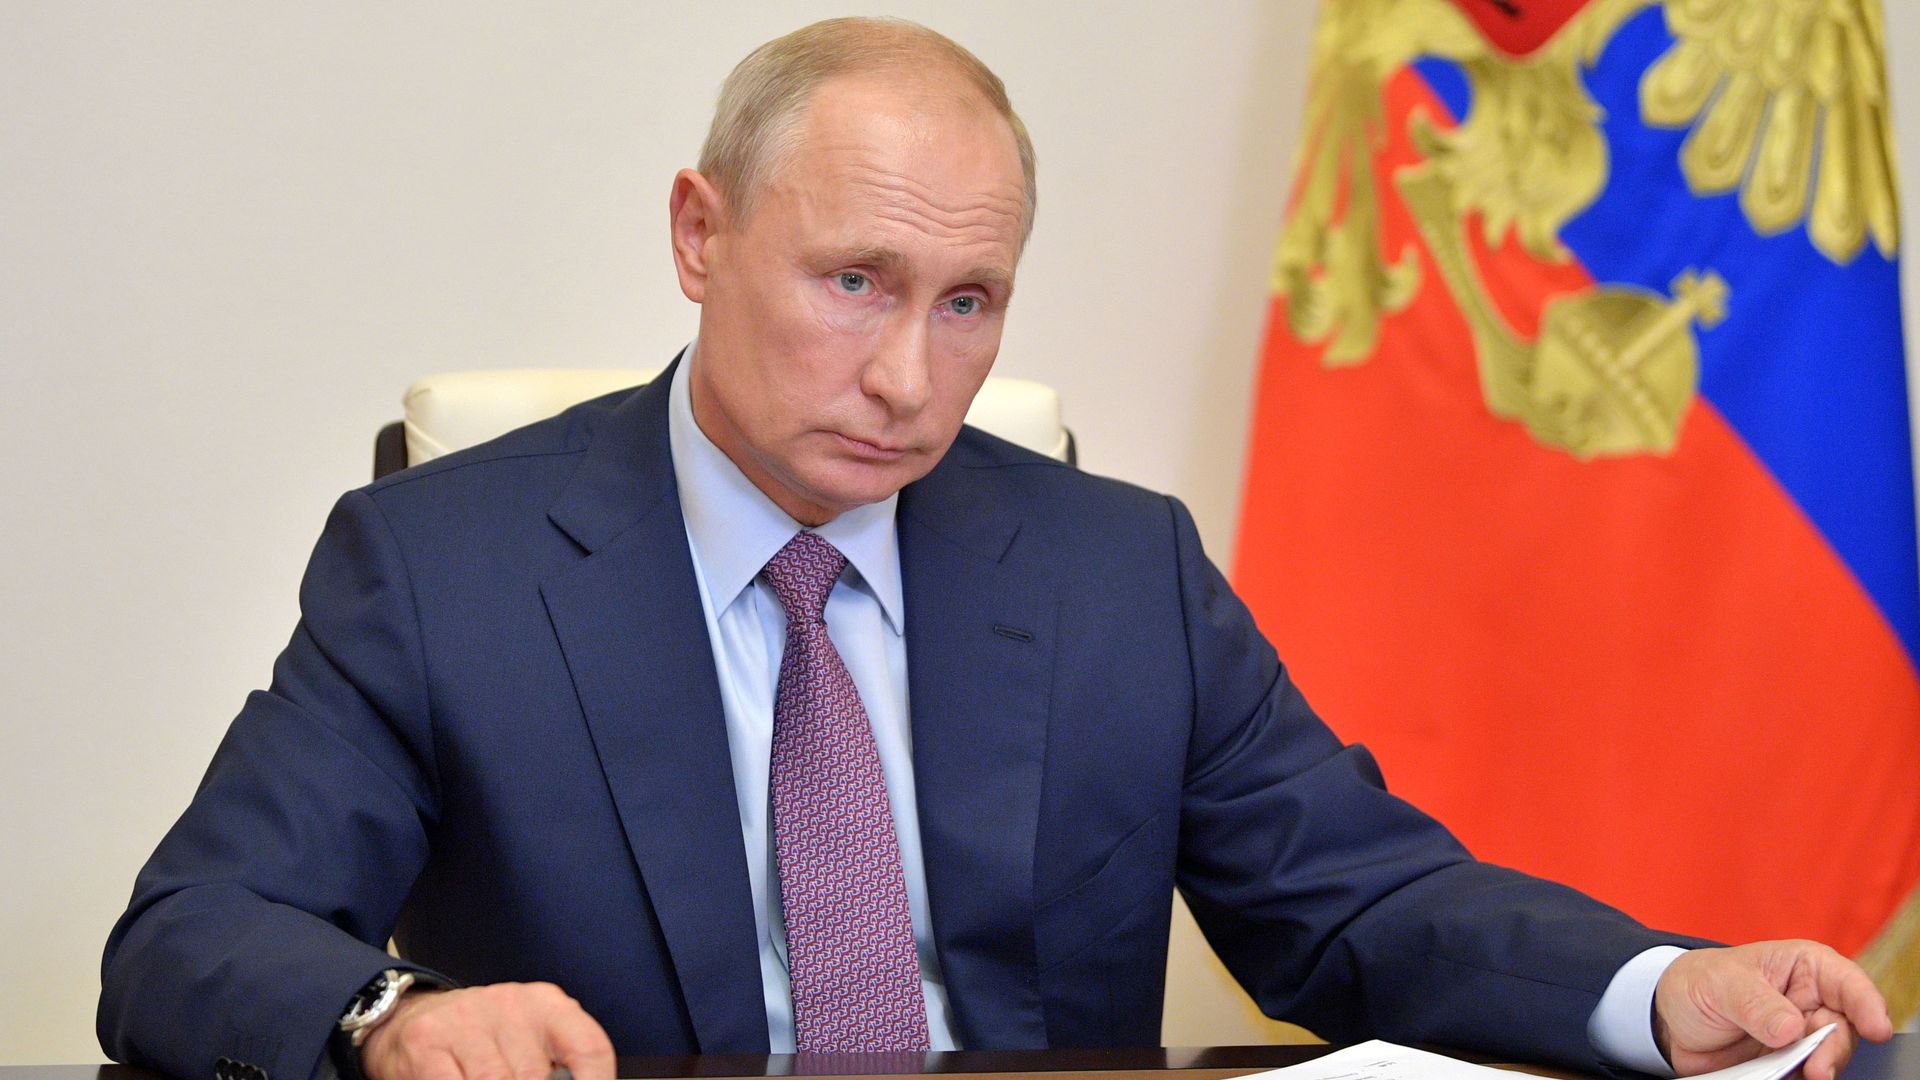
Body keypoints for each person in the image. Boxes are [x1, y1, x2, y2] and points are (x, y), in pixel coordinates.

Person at [99, 17, 1892, 1080]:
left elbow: (1360, 905)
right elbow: (185, 940)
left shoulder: (1119, 573)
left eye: (969, 303)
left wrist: (1666, 989)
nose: (909, 376)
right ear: (699, 234)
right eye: (855, 282)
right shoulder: (445, 564)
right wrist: (389, 1021)